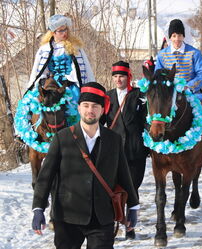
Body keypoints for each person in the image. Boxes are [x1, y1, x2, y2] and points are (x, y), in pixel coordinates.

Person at [31, 82, 139, 249]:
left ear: (103, 110)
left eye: (95, 106)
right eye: (86, 105)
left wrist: (133, 205)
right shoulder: (62, 138)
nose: (90, 110)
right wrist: (38, 208)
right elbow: (46, 176)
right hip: (67, 218)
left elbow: (123, 173)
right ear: (79, 108)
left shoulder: (113, 139)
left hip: (102, 218)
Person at [155, 19, 202, 160]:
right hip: (169, 94)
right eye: (174, 36)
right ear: (170, 37)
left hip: (191, 93)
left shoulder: (194, 53)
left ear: (183, 36)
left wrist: (189, 86)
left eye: (179, 35)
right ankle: (153, 144)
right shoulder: (162, 55)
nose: (177, 39)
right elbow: (158, 75)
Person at [101, 61, 149, 240]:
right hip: (113, 151)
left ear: (128, 76)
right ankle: (112, 224)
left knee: (133, 188)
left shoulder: (138, 95)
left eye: (121, 76)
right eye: (115, 76)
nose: (118, 79)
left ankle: (130, 225)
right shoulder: (107, 96)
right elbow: (101, 124)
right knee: (112, 189)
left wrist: (150, 145)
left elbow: (146, 121)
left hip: (135, 150)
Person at [26, 14, 95, 103]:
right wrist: (44, 81)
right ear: (53, 32)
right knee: (32, 103)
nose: (65, 33)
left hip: (69, 85)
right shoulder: (44, 49)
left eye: (65, 29)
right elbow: (39, 71)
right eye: (61, 31)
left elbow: (85, 70)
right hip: (50, 84)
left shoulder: (75, 47)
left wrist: (70, 81)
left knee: (76, 102)